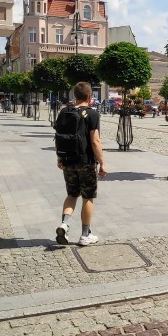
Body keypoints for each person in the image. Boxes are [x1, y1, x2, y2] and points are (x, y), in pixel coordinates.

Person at [55, 82, 107, 246]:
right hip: (85, 162)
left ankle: (65, 224)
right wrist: (102, 163)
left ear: (75, 96)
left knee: (71, 195)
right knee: (87, 197)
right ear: (90, 96)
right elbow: (95, 141)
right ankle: (85, 235)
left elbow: (59, 136)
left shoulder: (64, 111)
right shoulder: (92, 114)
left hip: (68, 161)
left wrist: (60, 158)